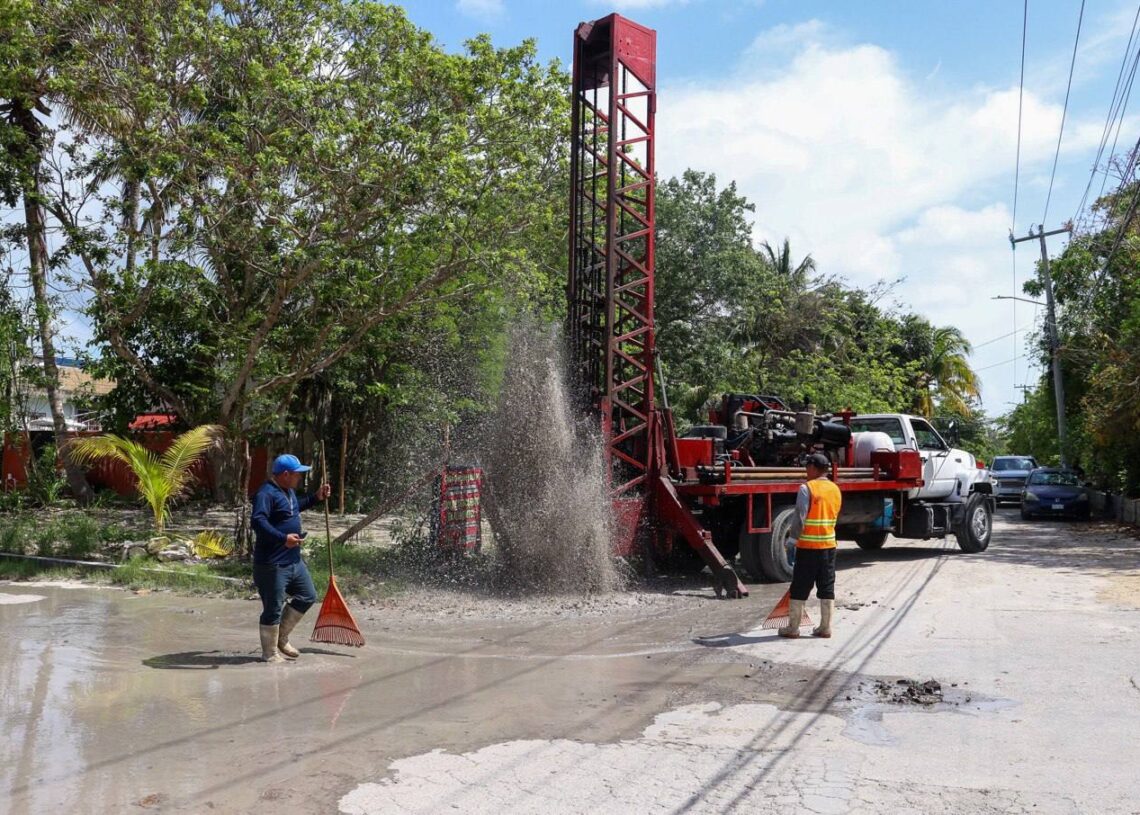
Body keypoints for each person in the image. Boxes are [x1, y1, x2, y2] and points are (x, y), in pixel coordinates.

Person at [251, 453, 331, 663]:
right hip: (272, 563)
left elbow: (292, 509)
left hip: (293, 560)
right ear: (285, 474)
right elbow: (257, 521)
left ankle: (281, 637)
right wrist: (282, 538)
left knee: (307, 595)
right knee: (273, 609)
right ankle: (270, 654)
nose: (300, 477)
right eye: (297, 474)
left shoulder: (288, 491)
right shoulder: (266, 493)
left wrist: (316, 497)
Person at [779, 452, 843, 639]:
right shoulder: (835, 489)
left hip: (808, 547)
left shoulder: (807, 488)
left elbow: (800, 517)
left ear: (814, 468)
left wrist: (792, 541)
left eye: (807, 466)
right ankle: (825, 628)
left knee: (800, 586)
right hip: (829, 546)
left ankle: (793, 628)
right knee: (827, 585)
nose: (806, 470)